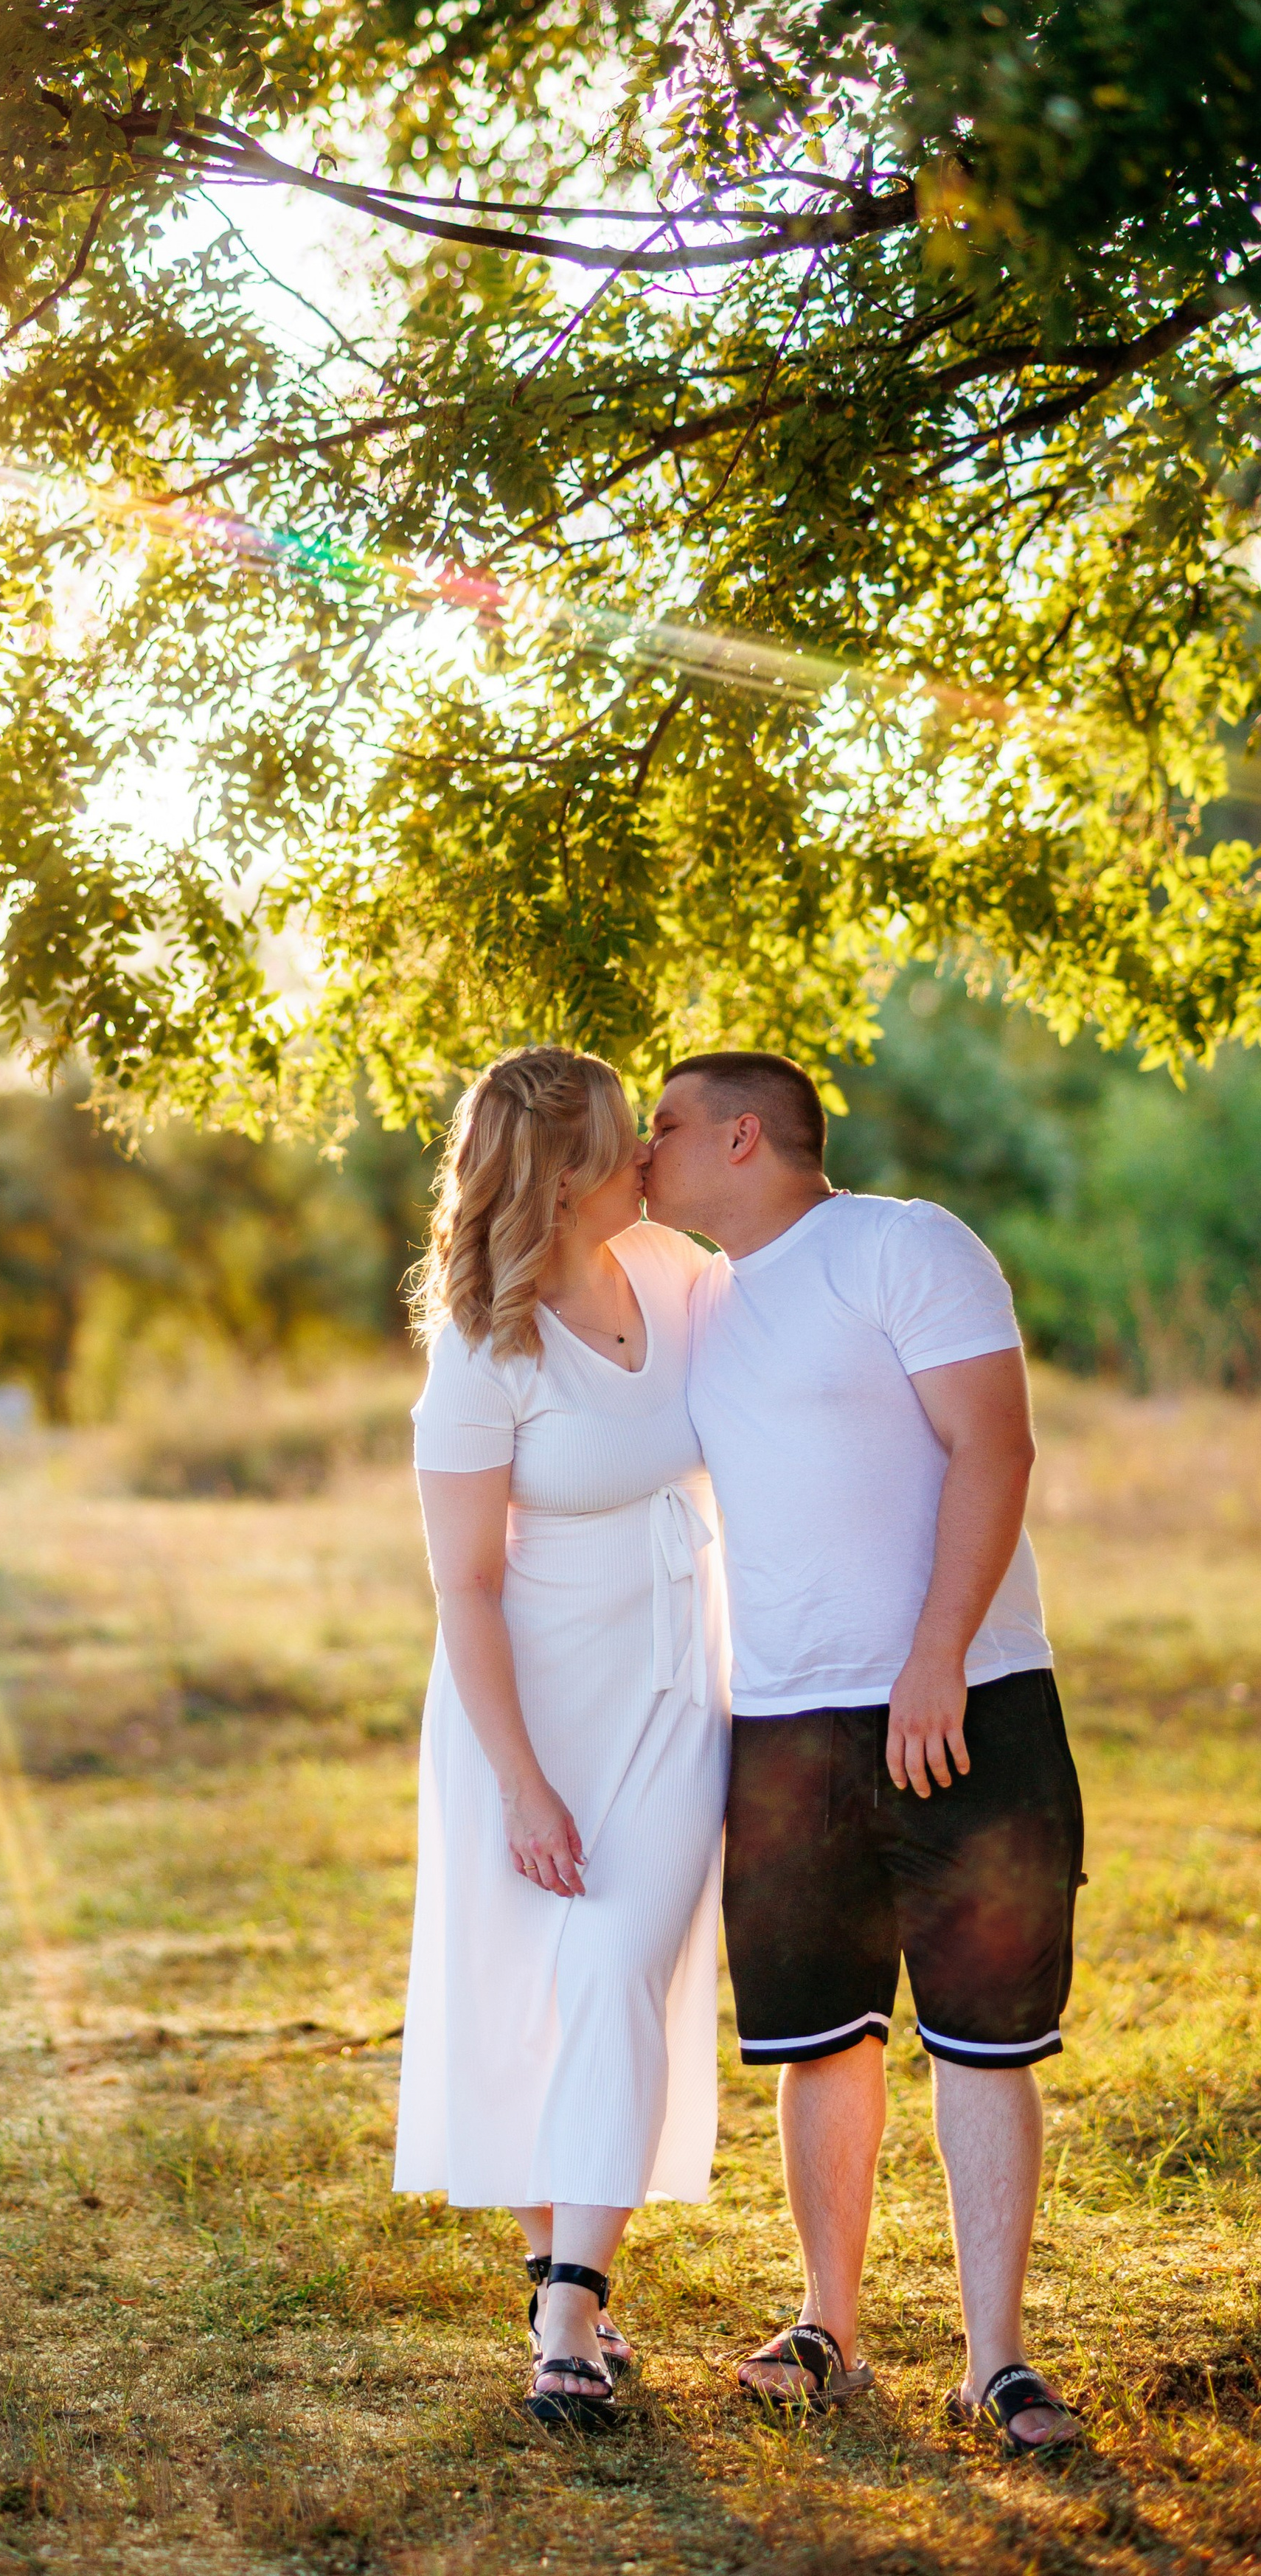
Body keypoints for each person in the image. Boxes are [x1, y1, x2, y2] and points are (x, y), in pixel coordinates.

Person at [643, 1049, 1084, 2457]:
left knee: (982, 2034)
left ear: (745, 1137)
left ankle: (997, 2360)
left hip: (965, 1700)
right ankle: (828, 2325)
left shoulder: (904, 1244)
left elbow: (995, 1450)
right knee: (817, 2037)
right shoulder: (697, 1300)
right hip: (781, 1724)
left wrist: (937, 1655)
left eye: (663, 1129)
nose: (643, 1155)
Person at [393, 1044, 729, 2431]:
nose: (653, 1152)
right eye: (624, 1138)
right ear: (567, 1171)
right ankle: (561, 2281)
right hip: (520, 1713)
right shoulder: (483, 1342)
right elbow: (464, 1585)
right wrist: (525, 1788)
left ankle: (572, 2307)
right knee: (528, 1988)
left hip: (671, 1692)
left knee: (615, 1966)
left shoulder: (676, 1270)